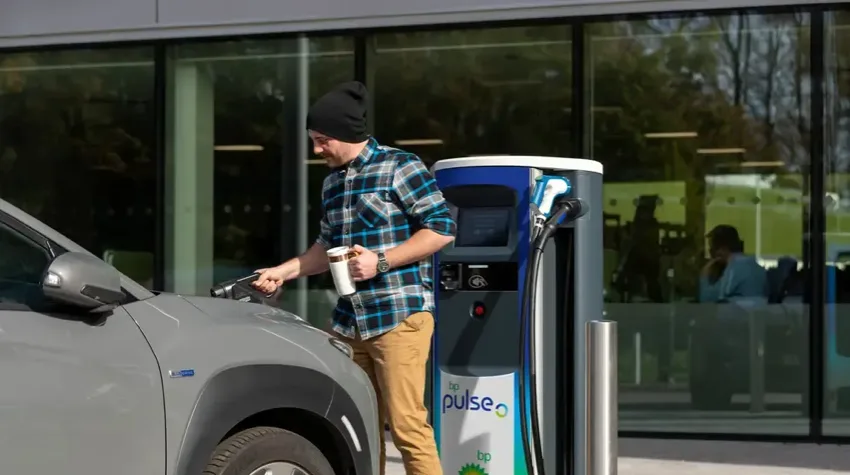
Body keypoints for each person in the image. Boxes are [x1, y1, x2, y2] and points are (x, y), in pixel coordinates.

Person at [252, 81, 455, 475]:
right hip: (350, 322)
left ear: (347, 134)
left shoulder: (400, 166)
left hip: (399, 317)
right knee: (359, 427)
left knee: (407, 426)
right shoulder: (332, 183)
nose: (317, 150)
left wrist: (381, 261)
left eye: (322, 140)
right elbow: (322, 249)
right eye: (313, 140)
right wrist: (282, 272)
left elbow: (442, 229)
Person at [698, 224, 768, 304]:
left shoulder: (734, 268)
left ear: (722, 249)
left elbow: (707, 299)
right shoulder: (754, 264)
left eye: (712, 249)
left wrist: (704, 274)